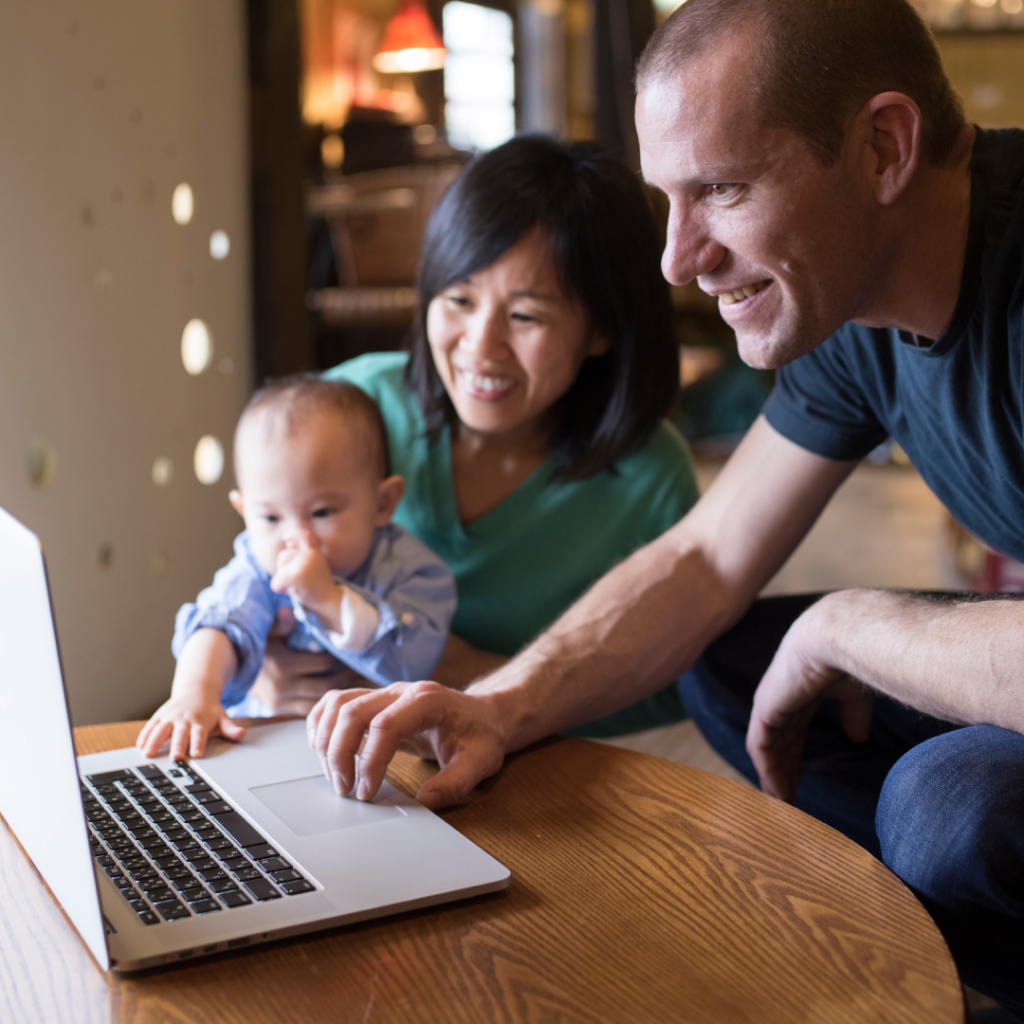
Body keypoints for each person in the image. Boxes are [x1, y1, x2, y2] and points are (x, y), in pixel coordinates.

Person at [302, 0, 1024, 1015]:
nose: (677, 260)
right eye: (667, 201)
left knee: (945, 804)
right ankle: (918, 926)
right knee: (730, 661)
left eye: (721, 189)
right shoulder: (854, 306)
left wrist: (849, 622)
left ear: (882, 146)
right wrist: (498, 709)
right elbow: (705, 560)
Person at [251, 134, 701, 738]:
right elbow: (251, 580)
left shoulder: (649, 478)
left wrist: (484, 682)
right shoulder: (352, 408)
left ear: (602, 327)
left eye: (525, 315)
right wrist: (257, 669)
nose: (480, 348)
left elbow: (675, 689)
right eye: (459, 298)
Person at [137, 377, 456, 764]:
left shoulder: (411, 570)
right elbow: (220, 622)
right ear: (244, 514)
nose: (296, 538)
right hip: (265, 743)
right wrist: (194, 692)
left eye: (321, 512)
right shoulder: (258, 565)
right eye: (270, 517)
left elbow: (413, 662)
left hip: (378, 756)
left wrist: (328, 599)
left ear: (382, 502)